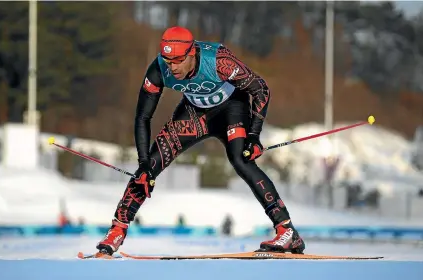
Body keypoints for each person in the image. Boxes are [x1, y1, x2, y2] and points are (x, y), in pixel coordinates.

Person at [96, 26, 305, 255]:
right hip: (194, 115)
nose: (172, 67)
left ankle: (287, 231)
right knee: (148, 168)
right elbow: (143, 116)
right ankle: (116, 232)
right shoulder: (158, 69)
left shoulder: (219, 62)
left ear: (192, 53)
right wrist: (144, 162)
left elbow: (261, 89)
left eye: (177, 60)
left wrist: (254, 136)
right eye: (167, 60)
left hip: (231, 110)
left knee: (240, 159)